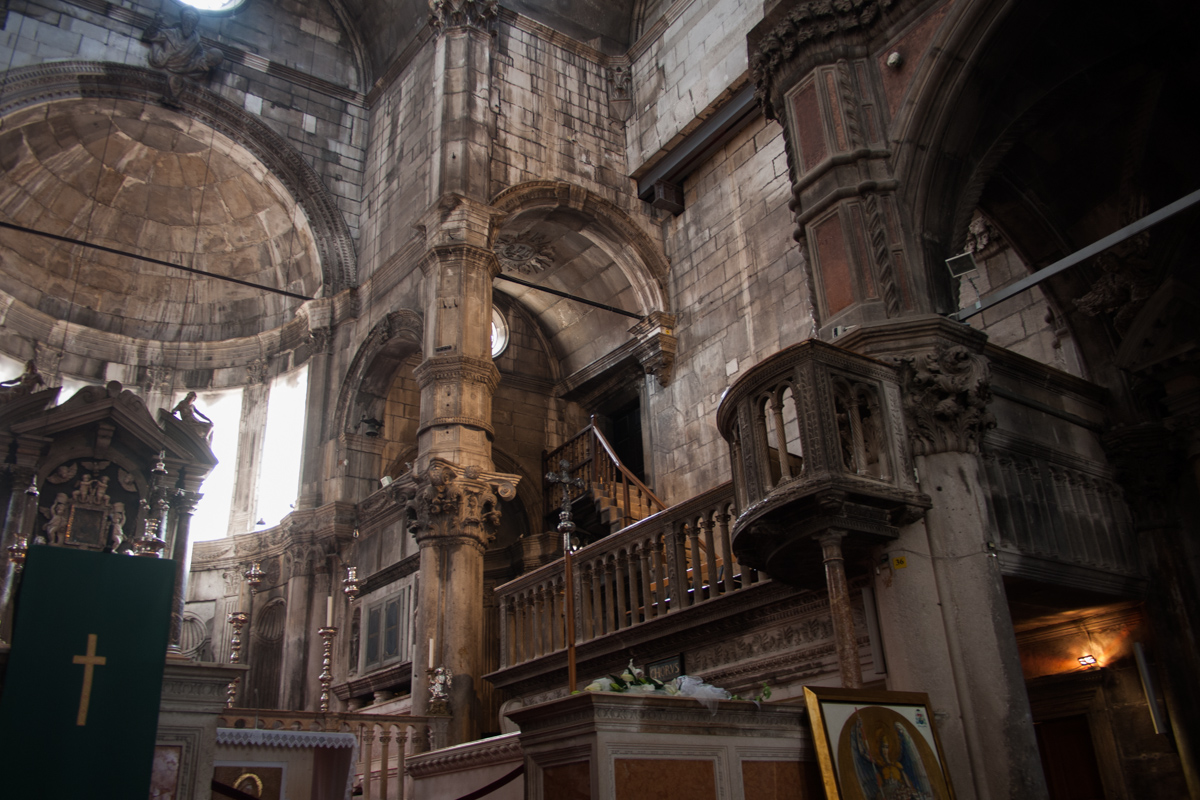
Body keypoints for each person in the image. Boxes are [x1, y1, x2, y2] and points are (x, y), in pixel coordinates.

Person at [142, 8, 222, 104]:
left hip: (185, 67)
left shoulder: (196, 44)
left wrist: (210, 62)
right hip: (162, 60)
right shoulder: (169, 33)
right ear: (183, 20)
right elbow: (149, 36)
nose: (189, 23)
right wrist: (156, 22)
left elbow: (200, 61)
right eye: (187, 20)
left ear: (195, 24)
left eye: (192, 21)